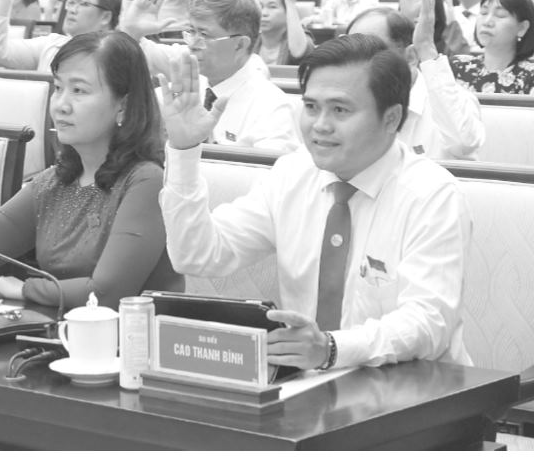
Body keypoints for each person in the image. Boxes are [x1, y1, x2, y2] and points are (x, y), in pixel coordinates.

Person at [158, 34, 469, 370]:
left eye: (340, 110)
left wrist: (332, 349)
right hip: (308, 382)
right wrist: (184, 151)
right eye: (310, 107)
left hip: (413, 386)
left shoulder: (432, 194)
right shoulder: (292, 174)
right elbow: (196, 255)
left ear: (391, 118)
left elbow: (429, 323)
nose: (320, 126)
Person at [0, 32, 181, 311]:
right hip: (61, 330)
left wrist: (24, 289)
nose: (61, 105)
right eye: (58, 88)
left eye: (78, 90)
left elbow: (106, 294)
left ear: (124, 106)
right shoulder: (55, 181)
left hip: (132, 335)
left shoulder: (147, 181)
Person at [125, 0, 301, 156]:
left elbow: (273, 171)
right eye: (191, 32)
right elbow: (132, 101)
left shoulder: (271, 107)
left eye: (204, 35)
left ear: (240, 45)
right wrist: (131, 32)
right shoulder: (188, 86)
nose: (192, 44)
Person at [352, 0, 484, 159]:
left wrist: (426, 48)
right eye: (352, 52)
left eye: (371, 51)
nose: (358, 63)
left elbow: (464, 145)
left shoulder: (450, 101)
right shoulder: (349, 102)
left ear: (411, 57)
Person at [450, 0, 534, 94]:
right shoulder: (458, 65)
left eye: (500, 15)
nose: (487, 22)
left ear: (522, 28)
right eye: (483, 13)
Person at [256, 0, 313, 68]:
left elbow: (298, 52)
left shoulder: (300, 39)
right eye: (260, 7)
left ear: (287, 12)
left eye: (272, 7)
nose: (264, 13)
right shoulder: (250, 41)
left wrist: (290, 3)